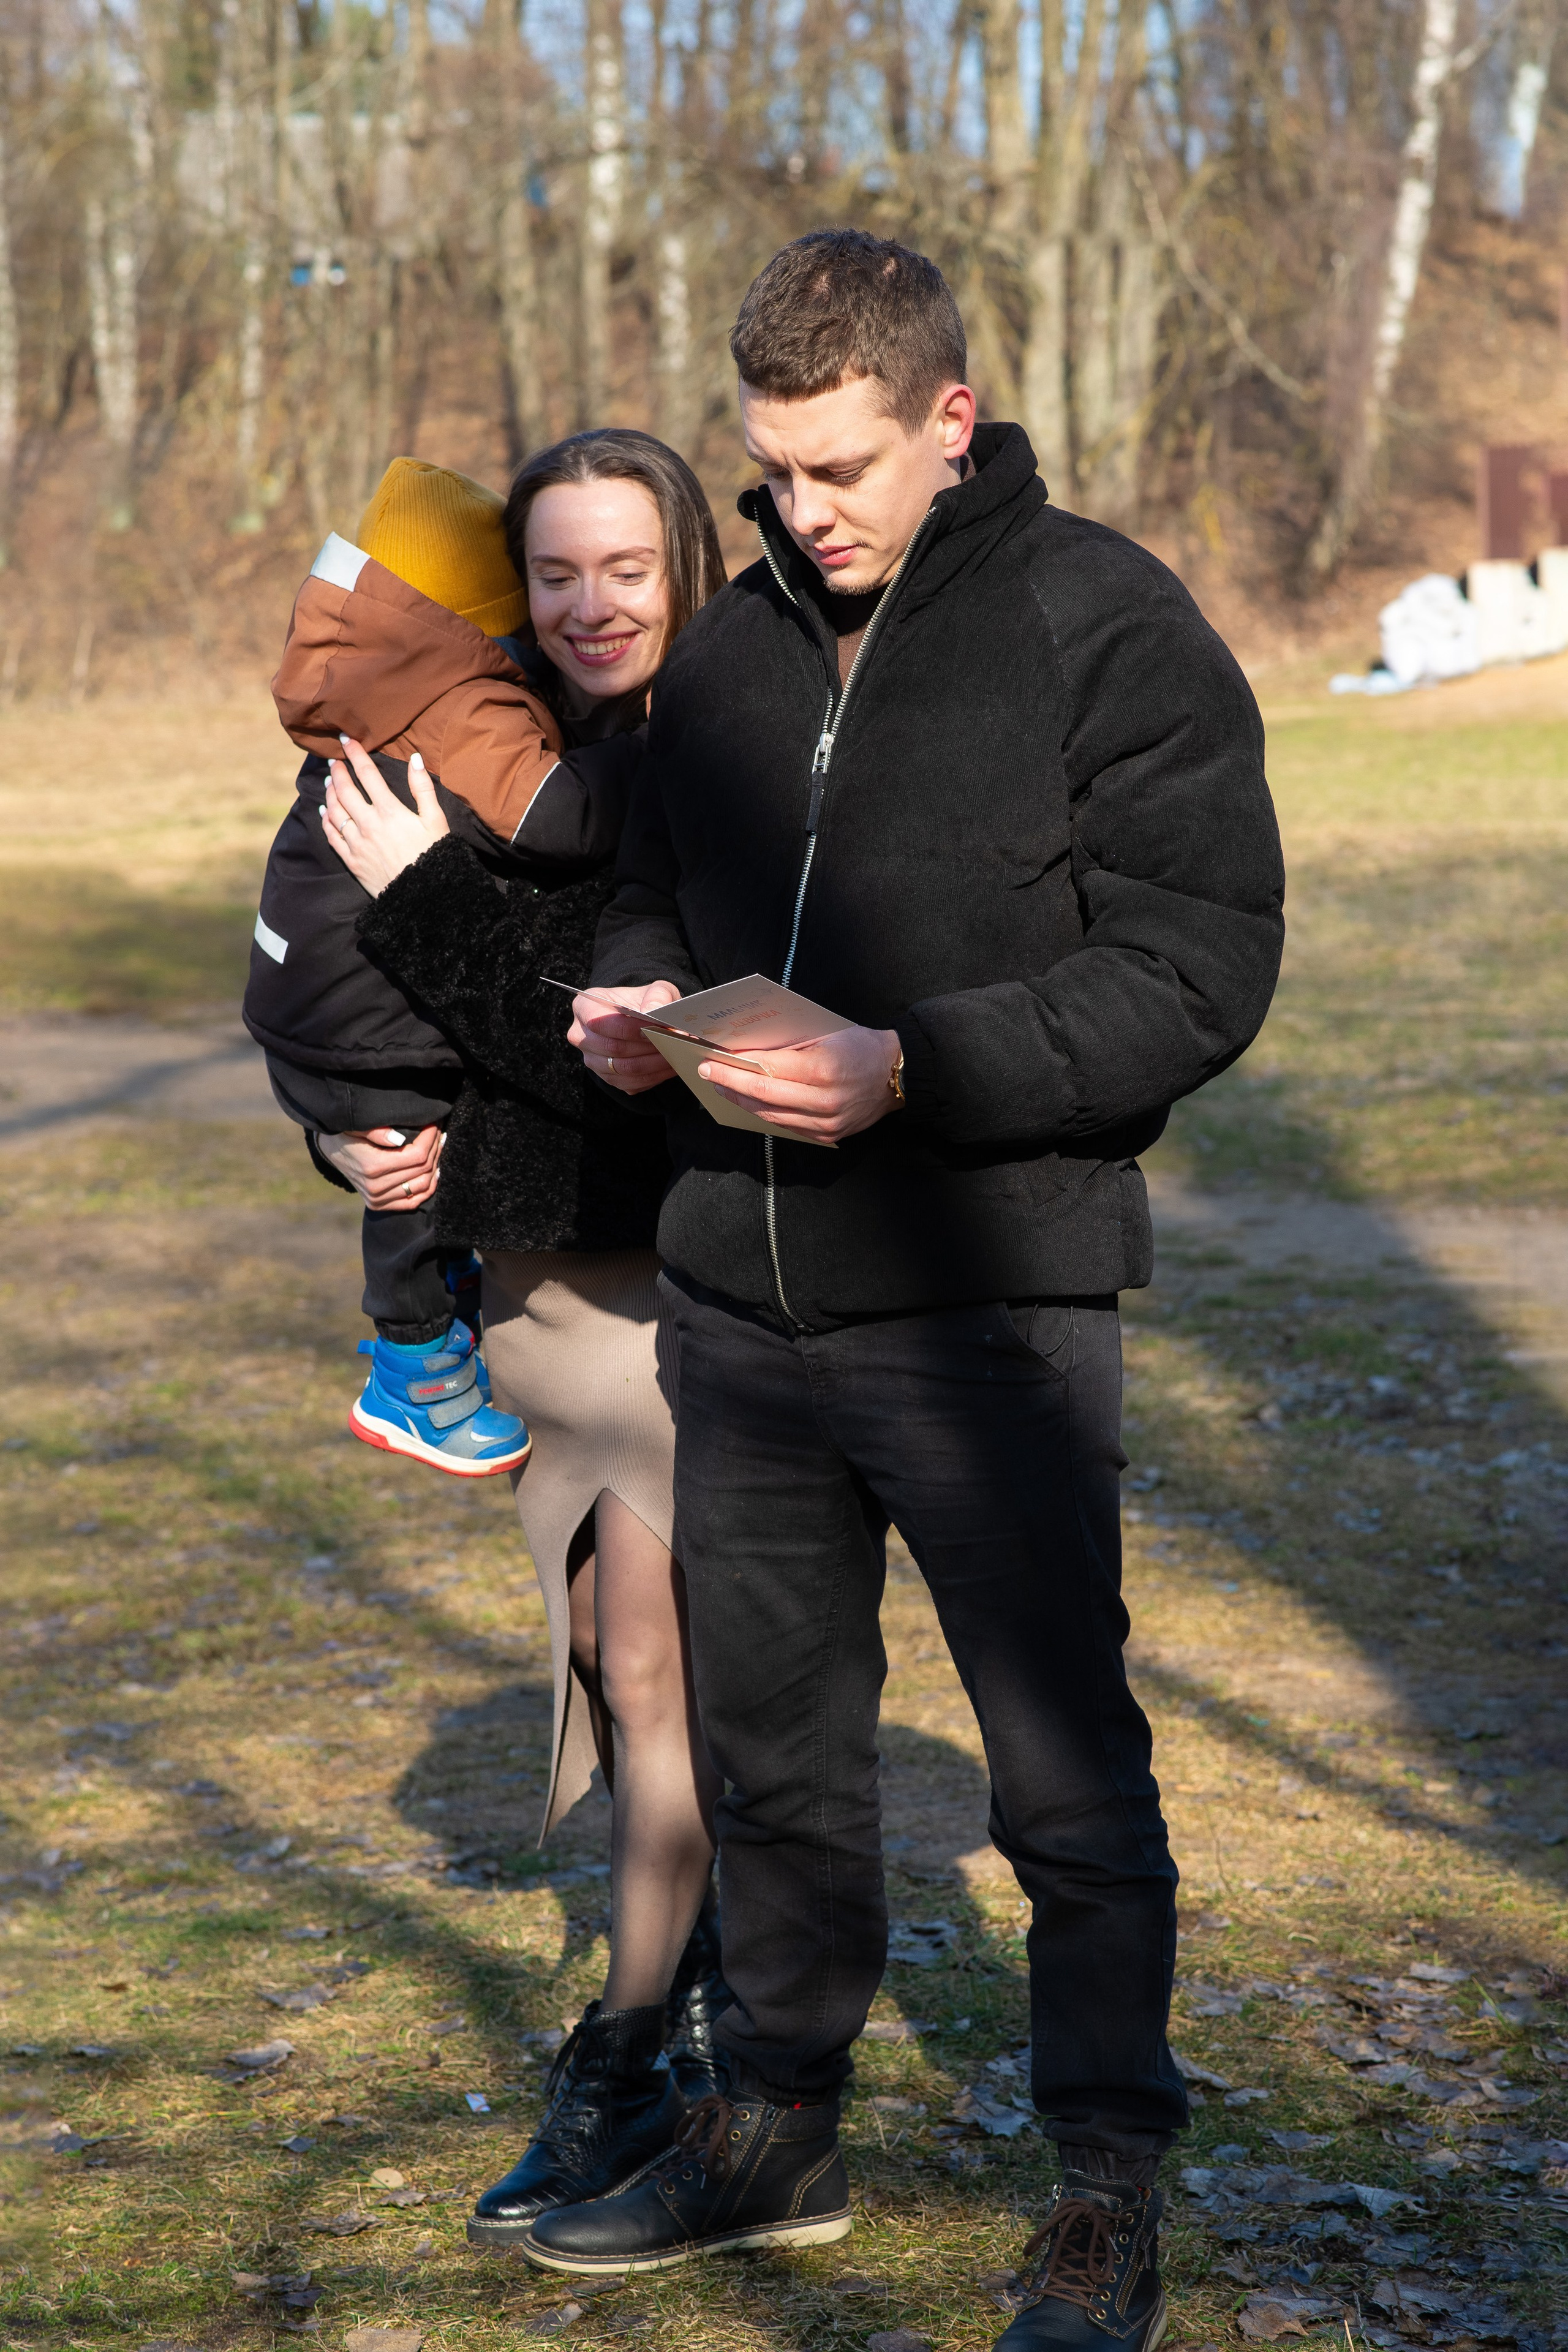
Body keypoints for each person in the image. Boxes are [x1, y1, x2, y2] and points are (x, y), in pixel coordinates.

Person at [534, 233, 1286, 2348]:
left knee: (1062, 1773)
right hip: (738, 1316)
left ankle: (1106, 2184)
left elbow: (1201, 963)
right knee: (777, 1755)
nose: (803, 513)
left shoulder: (1105, 627)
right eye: (772, 475)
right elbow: (657, 889)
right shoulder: (734, 657)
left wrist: (914, 1068)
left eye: (842, 467)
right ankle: (779, 2122)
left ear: (949, 420)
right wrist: (633, 999)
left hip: (989, 1309)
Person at [308, 429, 735, 2244]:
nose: (588, 604)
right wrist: (345, 1137)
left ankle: (630, 2062)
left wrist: (433, 899)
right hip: (532, 1309)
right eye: (554, 573)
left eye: (623, 567)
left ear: (686, 564)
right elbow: (379, 1019)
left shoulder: (714, 763)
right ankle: (695, 2012)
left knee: (647, 1670)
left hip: (668, 1305)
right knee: (597, 1654)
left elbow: (628, 1073)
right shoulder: (512, 748)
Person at [247, 452, 619, 1476]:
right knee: (406, 1173)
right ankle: (415, 1370)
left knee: (407, 1165)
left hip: (313, 1004)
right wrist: (644, 759)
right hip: (364, 1022)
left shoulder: (369, 687)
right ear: (488, 617)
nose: (587, 609)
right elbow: (557, 818)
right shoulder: (462, 704)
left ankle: (432, 1330)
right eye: (550, 583)